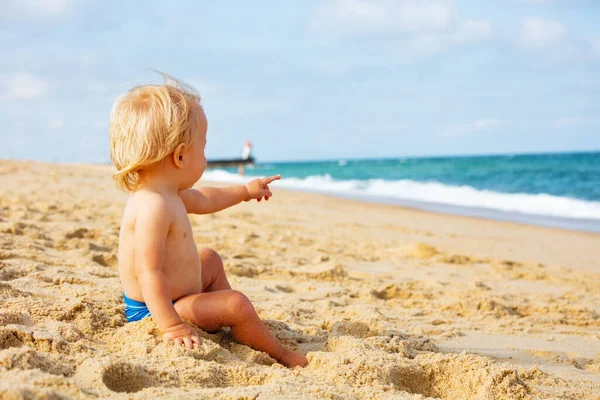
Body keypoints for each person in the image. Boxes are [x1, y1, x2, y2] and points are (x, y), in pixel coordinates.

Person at [108, 75, 307, 368]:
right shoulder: (153, 206)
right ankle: (280, 354)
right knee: (236, 304)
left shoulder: (167, 193)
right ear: (179, 157)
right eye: (203, 148)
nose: (205, 155)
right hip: (158, 310)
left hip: (177, 295)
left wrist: (244, 191)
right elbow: (147, 273)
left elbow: (205, 199)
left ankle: (229, 322)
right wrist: (172, 325)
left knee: (209, 259)